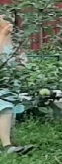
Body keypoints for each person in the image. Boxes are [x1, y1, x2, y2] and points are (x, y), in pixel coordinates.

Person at [0, 15, 32, 155]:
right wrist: (3, 35)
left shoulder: (10, 39)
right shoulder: (3, 35)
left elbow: (14, 61)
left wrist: (21, 62)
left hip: (10, 84)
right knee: (5, 109)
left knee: (9, 114)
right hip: (2, 84)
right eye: (4, 18)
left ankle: (8, 143)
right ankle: (8, 147)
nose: (9, 21)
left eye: (10, 18)